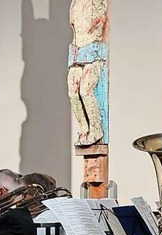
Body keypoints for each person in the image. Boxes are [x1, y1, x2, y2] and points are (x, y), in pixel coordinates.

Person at [67, 0, 108, 146]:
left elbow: (96, 21)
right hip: (77, 51)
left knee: (85, 91)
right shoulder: (75, 3)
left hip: (93, 50)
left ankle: (96, 129)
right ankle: (85, 129)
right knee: (73, 93)